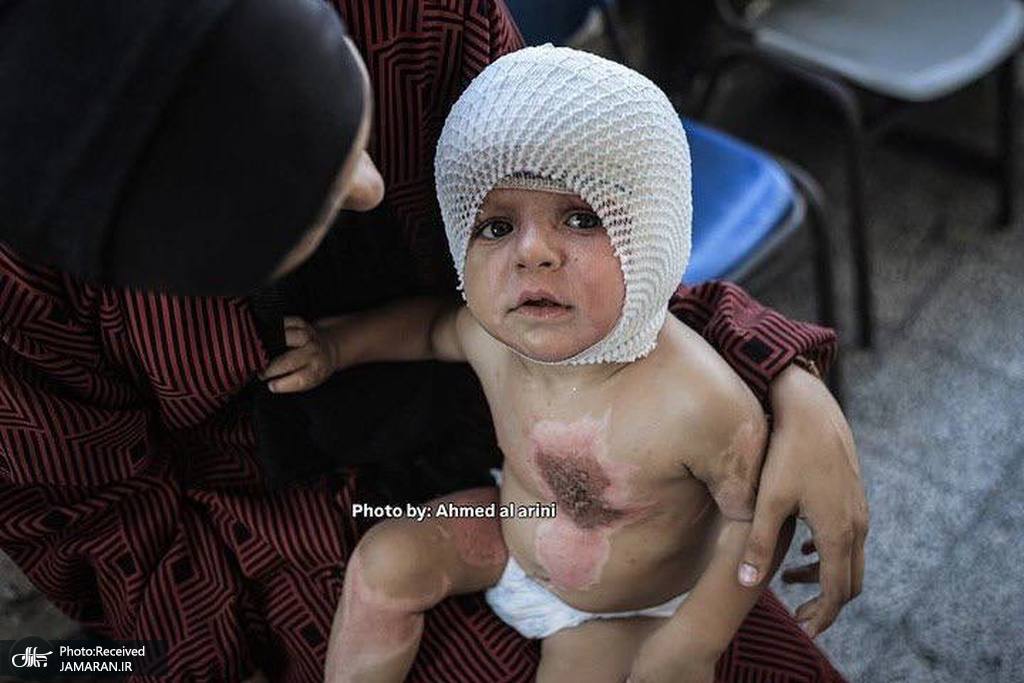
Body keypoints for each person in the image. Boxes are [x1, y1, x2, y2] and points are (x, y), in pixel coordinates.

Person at [0, 1, 864, 680]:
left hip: (599, 564)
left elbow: (621, 257)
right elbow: (101, 525)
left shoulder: (418, 17)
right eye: (304, 191)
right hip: (271, 549)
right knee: (381, 564)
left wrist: (783, 378)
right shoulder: (29, 287)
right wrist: (204, 658)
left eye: (347, 103)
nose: (373, 185)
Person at [266, 45, 802, 682]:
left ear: (653, 234)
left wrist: (696, 638)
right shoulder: (493, 338)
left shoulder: (698, 400)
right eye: (495, 226)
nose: (533, 252)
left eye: (580, 218)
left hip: (621, 610)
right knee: (382, 562)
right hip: (509, 522)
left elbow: (758, 519)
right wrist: (337, 347)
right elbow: (431, 328)